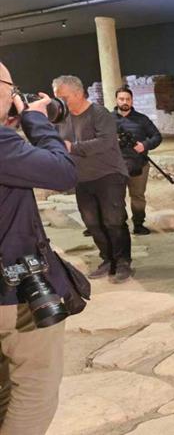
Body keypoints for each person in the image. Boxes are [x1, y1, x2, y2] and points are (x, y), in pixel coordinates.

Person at [0, 61, 78, 435]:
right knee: (35, 386)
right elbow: (62, 173)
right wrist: (36, 120)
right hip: (12, 292)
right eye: (12, 87)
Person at [53, 75, 134, 281]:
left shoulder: (99, 113)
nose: (60, 102)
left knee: (113, 221)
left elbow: (106, 142)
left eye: (63, 97)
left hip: (109, 175)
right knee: (93, 223)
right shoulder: (62, 119)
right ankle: (108, 260)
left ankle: (122, 262)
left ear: (79, 93)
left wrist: (73, 147)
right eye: (57, 97)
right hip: (82, 179)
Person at [114, 86, 163, 235]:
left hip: (139, 164)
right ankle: (120, 225)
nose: (125, 102)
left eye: (128, 99)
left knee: (137, 196)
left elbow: (157, 136)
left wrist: (144, 145)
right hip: (116, 166)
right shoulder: (107, 119)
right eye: (122, 99)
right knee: (116, 198)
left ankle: (138, 224)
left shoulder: (142, 119)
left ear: (132, 100)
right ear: (116, 100)